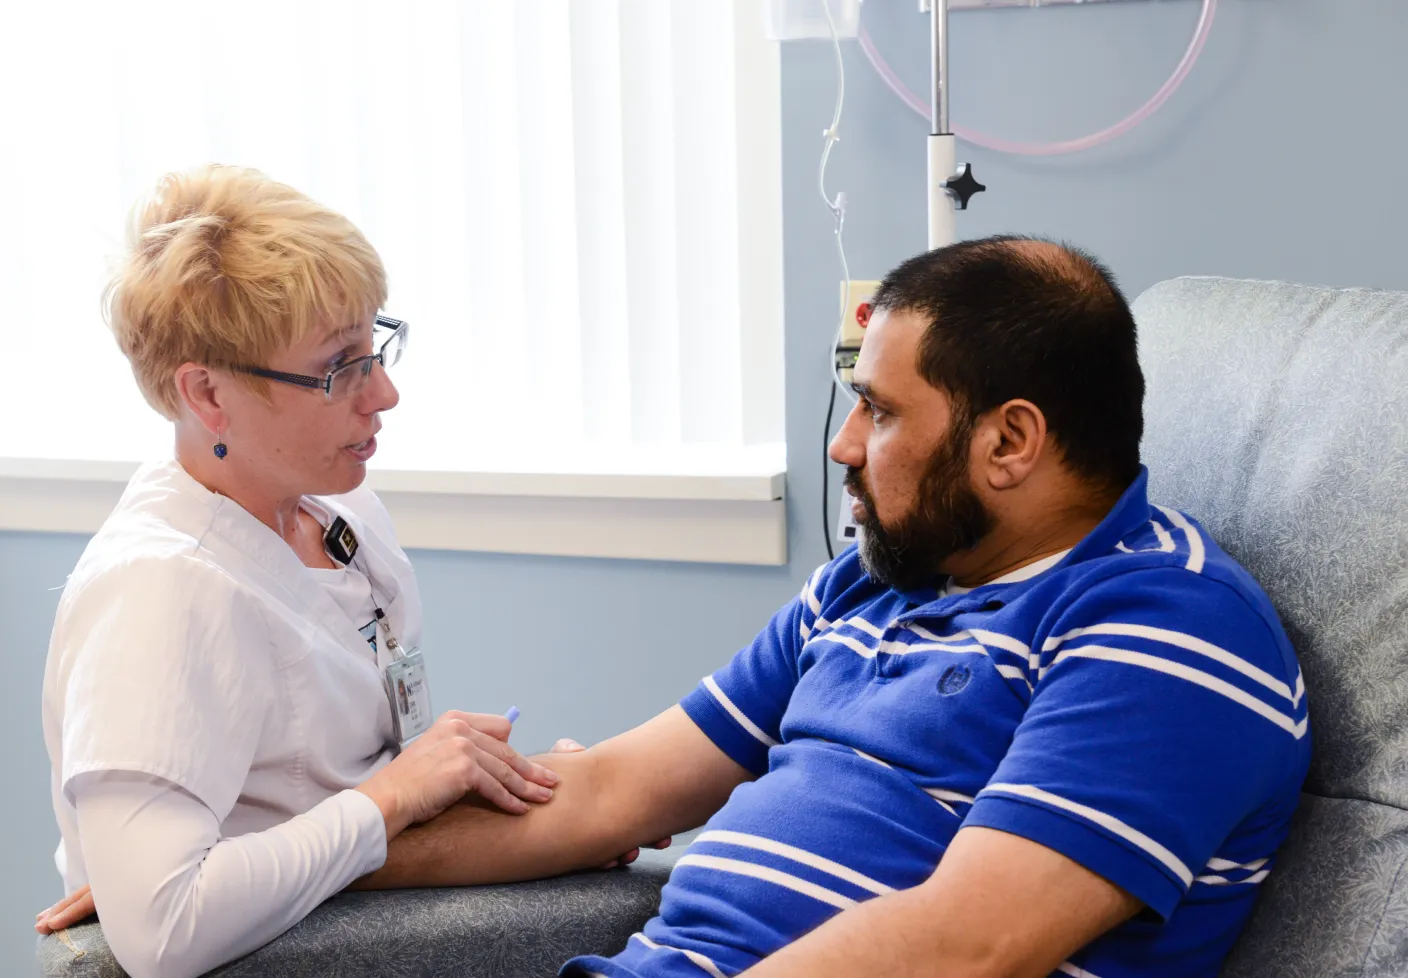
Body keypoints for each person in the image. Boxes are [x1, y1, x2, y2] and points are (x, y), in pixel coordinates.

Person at [327, 237, 1308, 978]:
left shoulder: (1163, 629)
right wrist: (300, 853)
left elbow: (963, 945)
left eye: (879, 411)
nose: (842, 446)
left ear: (1010, 442)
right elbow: (610, 792)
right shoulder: (874, 580)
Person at [34, 165, 657, 978]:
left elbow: (318, 781)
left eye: (377, 346)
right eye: (340, 368)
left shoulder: (339, 513)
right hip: (296, 953)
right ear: (207, 394)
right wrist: (395, 797)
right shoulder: (158, 592)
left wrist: (469, 784)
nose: (385, 394)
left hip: (347, 912)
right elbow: (165, 930)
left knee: (607, 799)